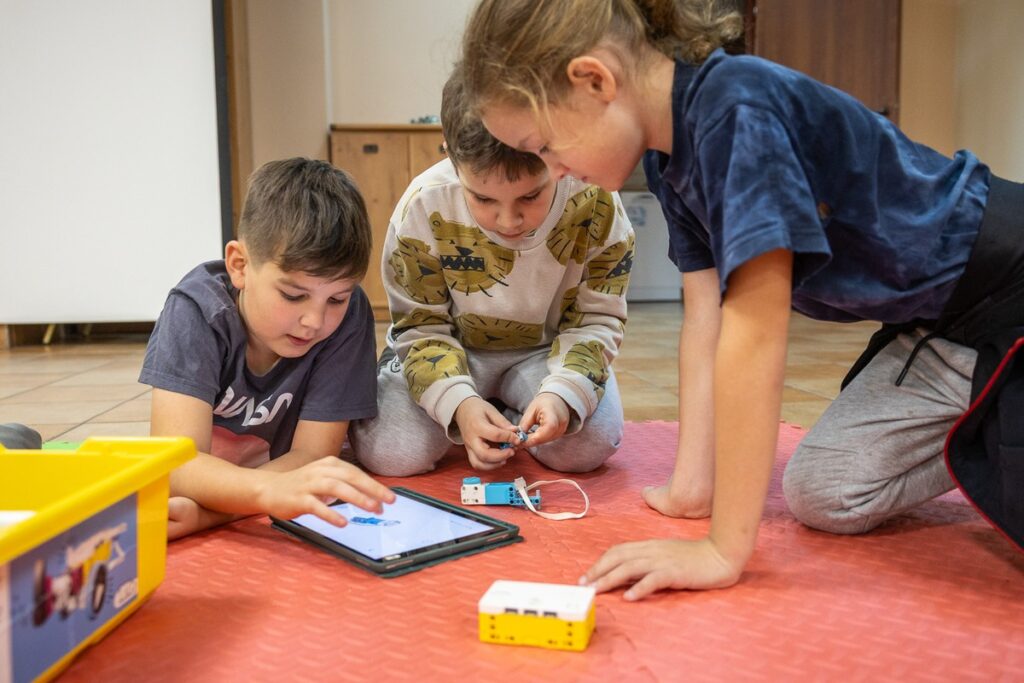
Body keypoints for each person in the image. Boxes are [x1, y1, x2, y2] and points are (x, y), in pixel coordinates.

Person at [460, 0, 1024, 598]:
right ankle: (985, 403)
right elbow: (706, 323)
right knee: (825, 492)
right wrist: (692, 488)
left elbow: (754, 335)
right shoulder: (663, 154)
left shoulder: (736, 111)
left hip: (1008, 284)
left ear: (594, 80)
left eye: (545, 145)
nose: (559, 170)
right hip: (938, 326)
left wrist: (723, 550)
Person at [349, 66, 634, 476]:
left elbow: (597, 319)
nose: (508, 221)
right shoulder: (423, 206)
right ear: (449, 152)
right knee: (391, 452)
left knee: (589, 444)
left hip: (544, 353)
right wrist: (459, 405)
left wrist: (561, 395)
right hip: (449, 349)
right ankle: (478, 406)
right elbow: (421, 327)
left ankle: (511, 406)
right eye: (482, 198)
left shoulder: (596, 202)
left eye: (531, 196)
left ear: (556, 152)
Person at [140, 158, 395, 540]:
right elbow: (176, 466)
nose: (314, 320)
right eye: (293, 295)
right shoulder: (196, 311)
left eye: (337, 299)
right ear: (239, 265)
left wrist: (210, 516)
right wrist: (267, 493)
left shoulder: (349, 315)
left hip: (221, 496)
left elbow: (312, 457)